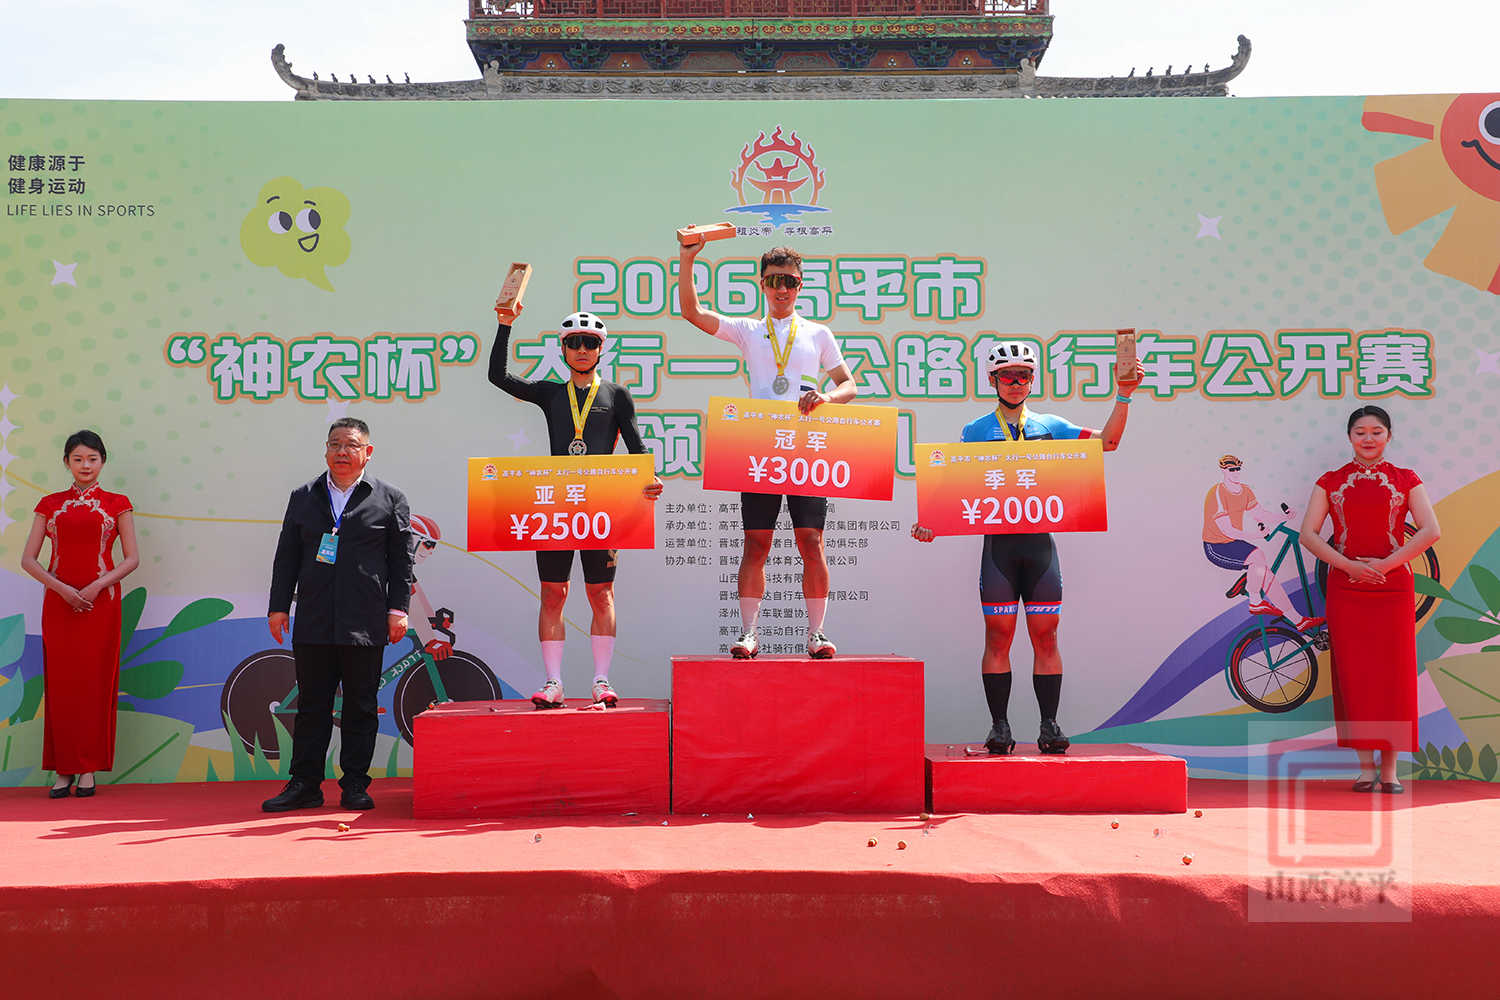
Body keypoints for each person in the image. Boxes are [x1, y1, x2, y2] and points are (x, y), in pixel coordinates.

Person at [911, 341, 1143, 755]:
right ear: (992, 380)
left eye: (1024, 375)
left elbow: (1108, 443)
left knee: (1046, 638)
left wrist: (1124, 395)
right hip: (999, 551)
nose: (1016, 382)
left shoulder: (1051, 425)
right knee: (998, 637)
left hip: (1039, 550)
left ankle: (1049, 726)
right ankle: (999, 728)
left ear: (1033, 380)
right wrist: (930, 522)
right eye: (1007, 375)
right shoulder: (975, 431)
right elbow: (953, 490)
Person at [676, 241, 858, 659]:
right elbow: (692, 313)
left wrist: (826, 398)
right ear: (762, 283)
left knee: (811, 541)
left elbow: (848, 384)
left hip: (805, 448)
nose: (782, 289)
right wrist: (688, 259)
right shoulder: (748, 330)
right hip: (759, 448)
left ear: (800, 285)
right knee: (756, 543)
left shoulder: (818, 333)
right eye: (774, 280)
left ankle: (817, 634)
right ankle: (749, 634)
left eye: (790, 281)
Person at [488, 295, 663, 708]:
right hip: (557, 505)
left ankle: (602, 680)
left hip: (602, 507)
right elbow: (498, 376)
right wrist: (505, 324)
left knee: (601, 594)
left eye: (590, 342)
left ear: (601, 348)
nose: (582, 349)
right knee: (554, 593)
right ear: (563, 349)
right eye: (574, 342)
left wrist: (650, 479)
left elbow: (637, 447)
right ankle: (553, 683)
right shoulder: (551, 393)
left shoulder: (617, 395)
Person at [262, 417, 413, 812]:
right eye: (335, 444)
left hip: (365, 619)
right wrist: (278, 607)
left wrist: (398, 609)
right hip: (314, 617)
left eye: (350, 445)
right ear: (326, 449)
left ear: (368, 452)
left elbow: (402, 561)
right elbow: (287, 555)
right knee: (312, 705)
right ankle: (305, 784)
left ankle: (355, 785)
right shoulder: (304, 496)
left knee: (360, 705)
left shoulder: (389, 498)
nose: (341, 452)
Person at [1298, 405, 1439, 794]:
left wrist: (1386, 565)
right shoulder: (1330, 481)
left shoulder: (1406, 479)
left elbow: (1430, 530)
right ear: (1349, 437)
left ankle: (1390, 771)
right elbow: (1308, 534)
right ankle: (1364, 768)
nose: (1368, 438)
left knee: (1393, 676)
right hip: (1347, 589)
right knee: (1355, 676)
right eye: (1360, 432)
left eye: (1377, 431)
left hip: (1393, 589)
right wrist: (1349, 566)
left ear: (1389, 436)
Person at [20, 430, 140, 798]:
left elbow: (132, 559)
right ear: (67, 462)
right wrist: (62, 589)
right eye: (78, 459)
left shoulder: (117, 503)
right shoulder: (49, 504)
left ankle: (87, 768)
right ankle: (63, 769)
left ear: (103, 462)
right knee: (62, 686)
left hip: (101, 605)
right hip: (59, 605)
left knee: (94, 685)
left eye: (92, 459)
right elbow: (28, 560)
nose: (85, 465)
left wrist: (96, 586)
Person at [1204, 454, 1319, 631]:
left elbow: (1260, 514)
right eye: (1231, 470)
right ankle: (1255, 600)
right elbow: (1227, 530)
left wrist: (1284, 517)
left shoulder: (1245, 491)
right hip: (1216, 546)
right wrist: (1257, 535)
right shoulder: (1217, 493)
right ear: (1223, 471)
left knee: (1266, 573)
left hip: (1233, 542)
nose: (1236, 472)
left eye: (1238, 469)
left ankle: (1297, 620)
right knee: (1257, 556)